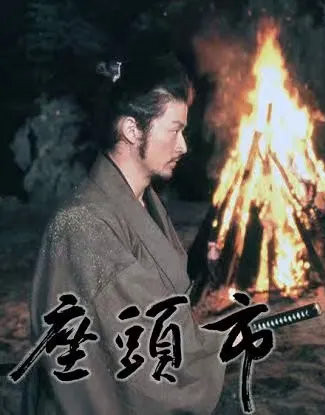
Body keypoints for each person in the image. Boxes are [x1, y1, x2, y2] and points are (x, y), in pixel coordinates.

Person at [20, 55, 226, 414]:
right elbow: (133, 365)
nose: (183, 147)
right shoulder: (83, 226)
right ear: (132, 130)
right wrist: (214, 353)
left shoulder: (145, 204)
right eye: (174, 130)